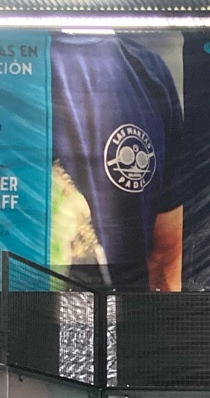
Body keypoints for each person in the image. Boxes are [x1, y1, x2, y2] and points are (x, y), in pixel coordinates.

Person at [51, 34, 184, 290]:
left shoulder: (150, 72)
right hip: (26, 302)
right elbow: (166, 259)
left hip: (123, 304)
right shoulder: (15, 67)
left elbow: (167, 256)